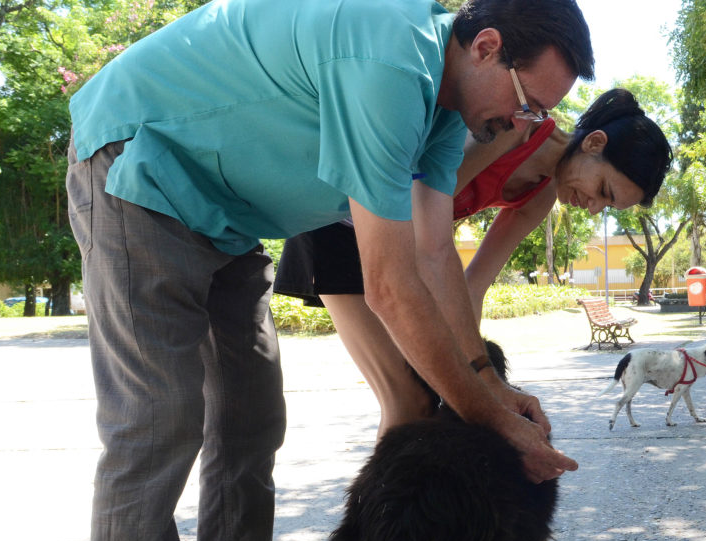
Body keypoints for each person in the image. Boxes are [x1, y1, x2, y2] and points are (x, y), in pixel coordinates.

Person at [64, 0, 594, 541]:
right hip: (140, 168)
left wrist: (494, 388)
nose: (526, 126)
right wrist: (485, 417)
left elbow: (435, 258)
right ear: (485, 46)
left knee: (250, 421)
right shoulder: (389, 58)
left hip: (228, 217)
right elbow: (391, 286)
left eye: (541, 116)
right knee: (159, 423)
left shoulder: (442, 111)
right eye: (529, 103)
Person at [275, 88, 671, 438]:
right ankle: (379, 522)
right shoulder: (514, 127)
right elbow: (423, 213)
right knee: (408, 400)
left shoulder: (539, 198)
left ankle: (397, 518)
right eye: (603, 189)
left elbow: (472, 286)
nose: (593, 206)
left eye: (607, 205)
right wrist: (477, 374)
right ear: (594, 143)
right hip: (338, 222)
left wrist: (475, 371)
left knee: (425, 400)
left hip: (396, 241)